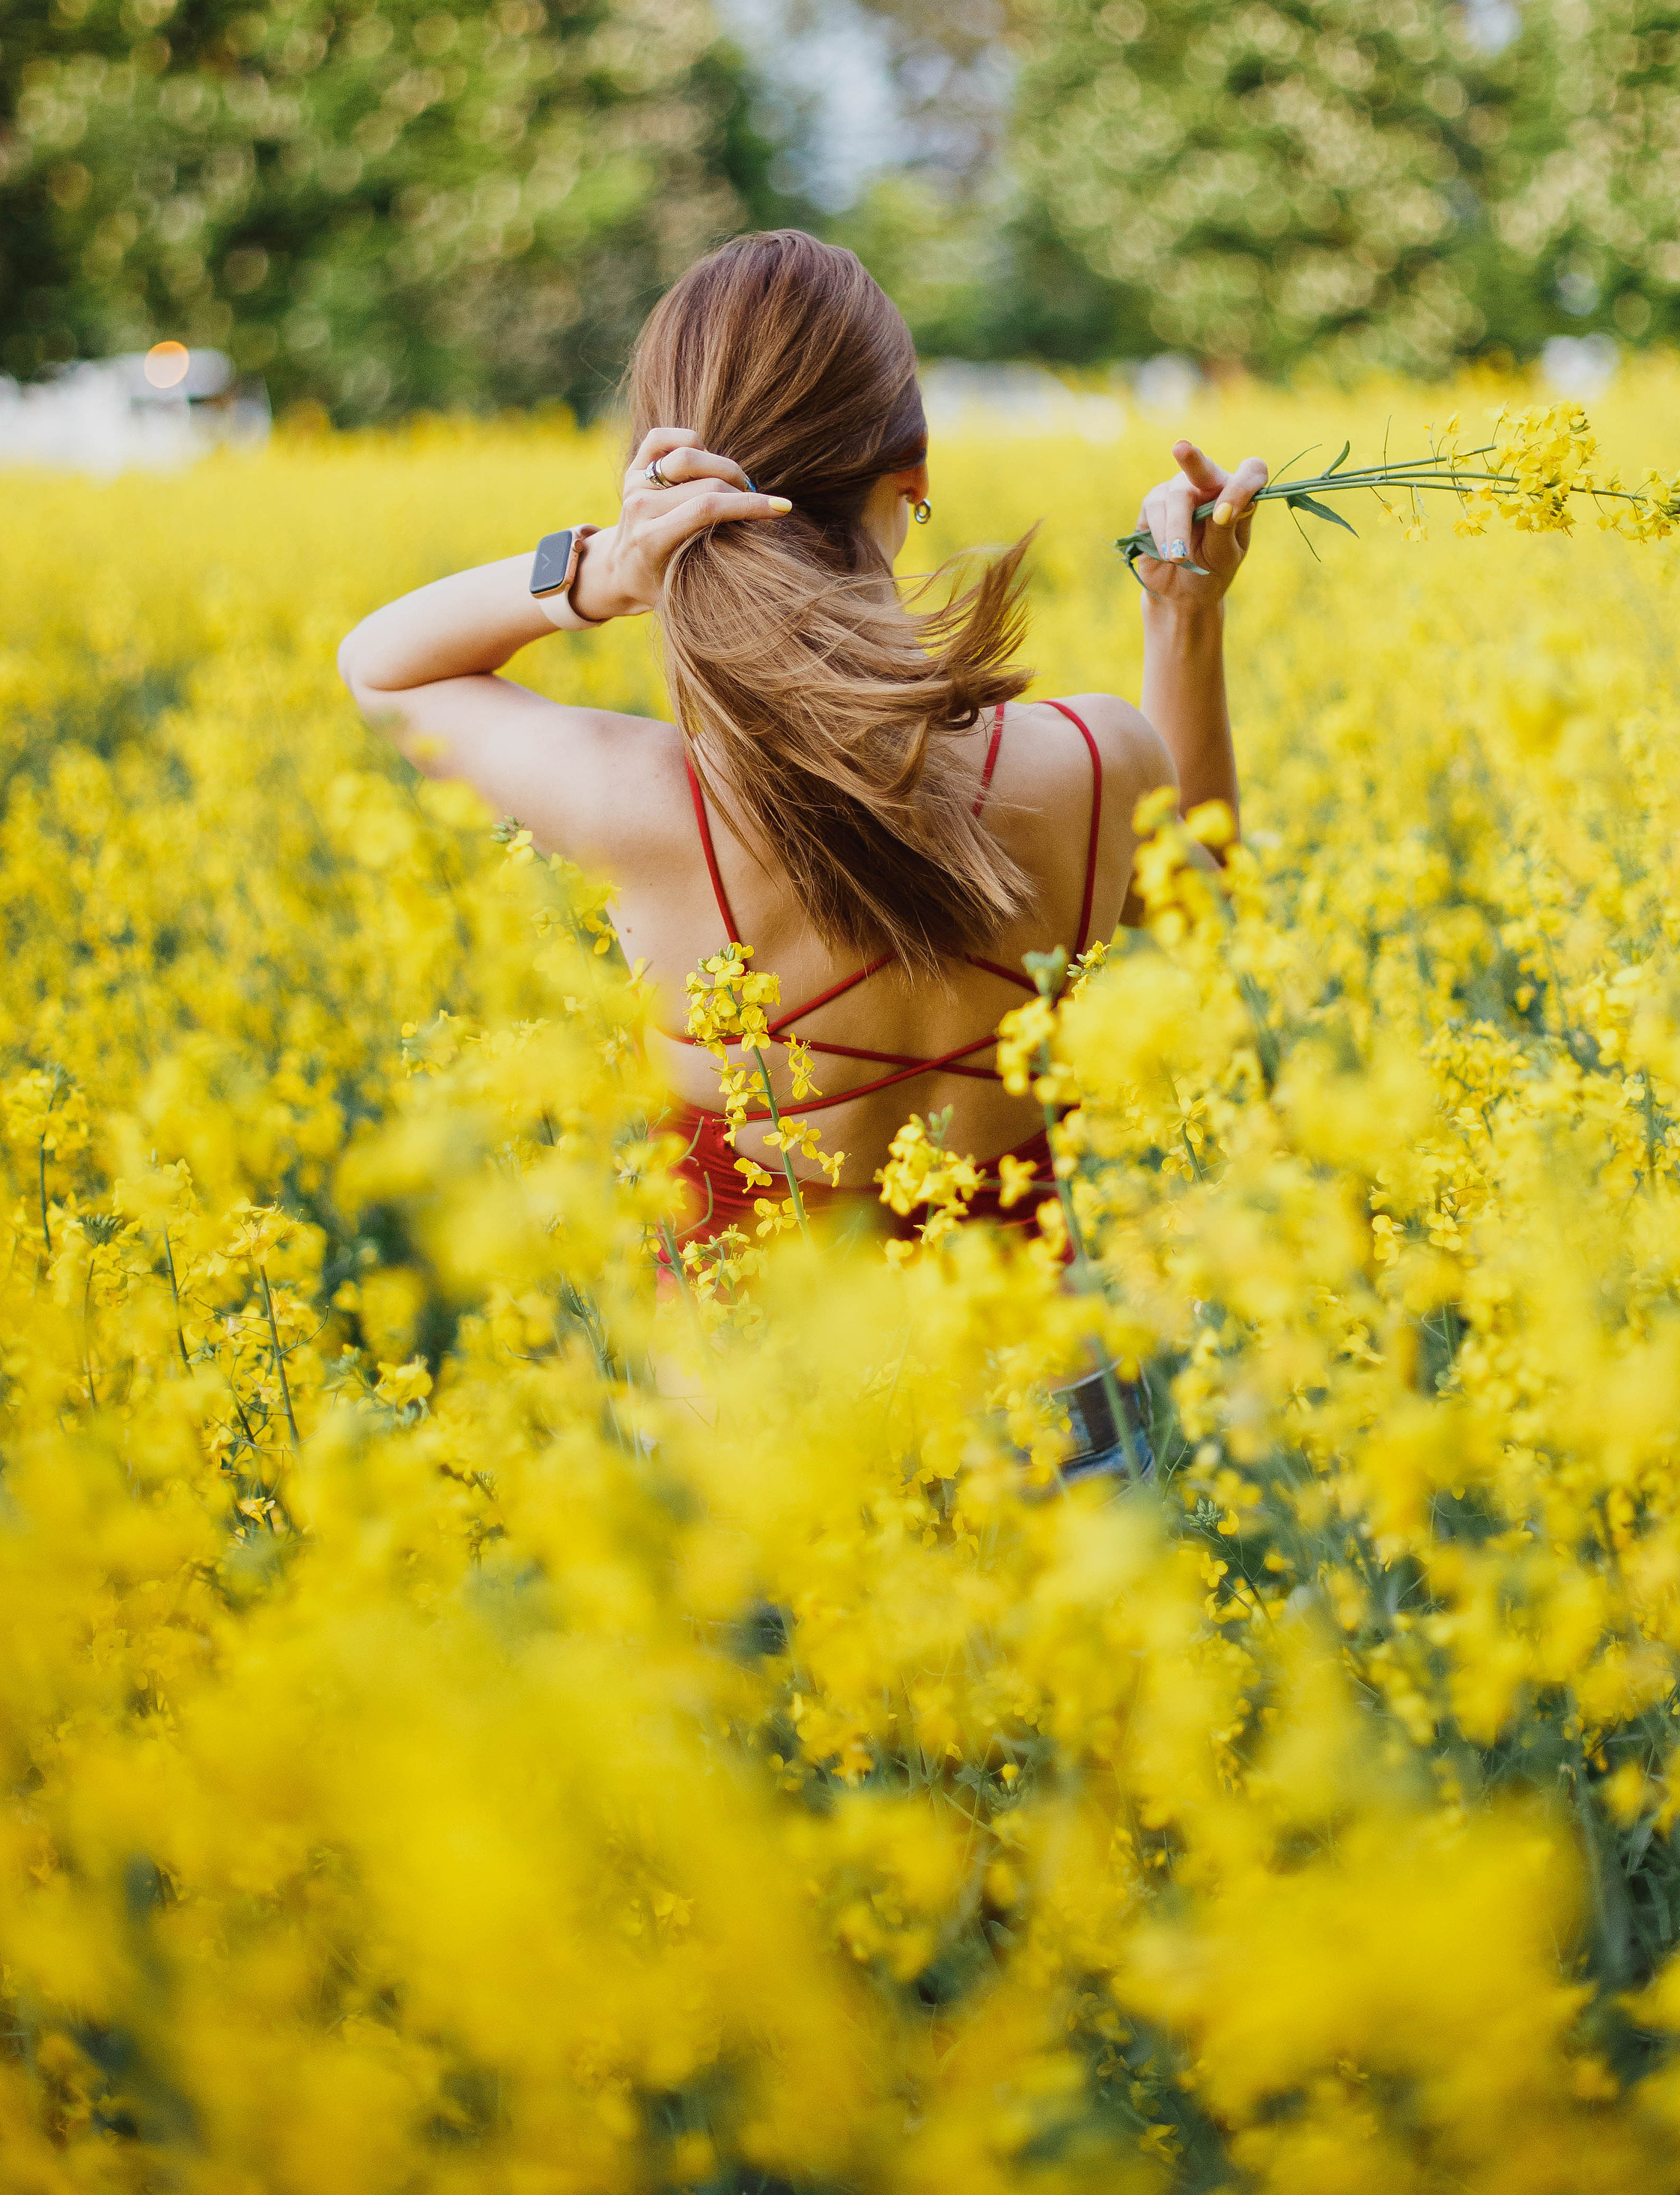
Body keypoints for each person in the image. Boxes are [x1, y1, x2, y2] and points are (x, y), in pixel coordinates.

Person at [338, 231, 1265, 1460]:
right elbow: (1211, 911)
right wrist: (1183, 623)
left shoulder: (643, 805)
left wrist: (602, 574)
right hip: (1045, 1425)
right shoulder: (1096, 762)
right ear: (913, 473)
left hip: (762, 1463)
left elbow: (382, 669)